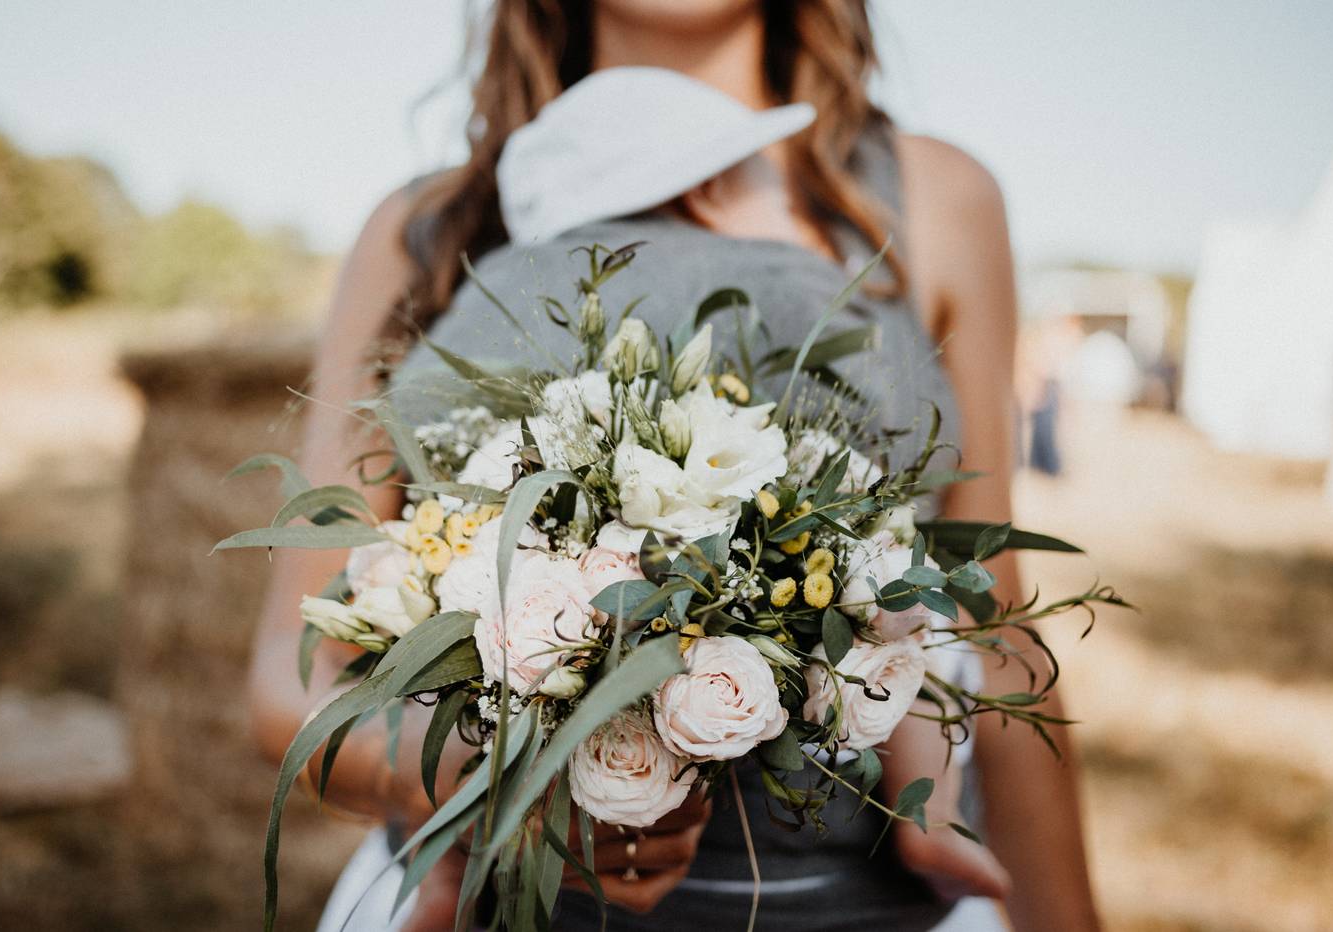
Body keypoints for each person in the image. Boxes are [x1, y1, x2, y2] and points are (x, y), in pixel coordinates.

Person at [248, 3, 1098, 930]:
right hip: (508, 894)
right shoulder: (428, 224)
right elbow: (294, 679)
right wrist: (467, 776)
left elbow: (995, 634)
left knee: (897, 613)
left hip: (859, 907)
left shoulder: (933, 196)